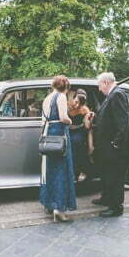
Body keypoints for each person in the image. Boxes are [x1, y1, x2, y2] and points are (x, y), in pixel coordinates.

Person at [90, 72, 129, 217]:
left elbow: (123, 123)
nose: (99, 89)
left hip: (114, 148)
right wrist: (95, 116)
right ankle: (106, 198)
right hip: (107, 147)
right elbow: (108, 117)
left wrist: (116, 144)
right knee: (107, 174)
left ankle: (116, 207)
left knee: (115, 177)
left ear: (105, 83)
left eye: (99, 85)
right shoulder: (112, 95)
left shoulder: (117, 95)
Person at [39, 75, 76, 222]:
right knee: (62, 170)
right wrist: (70, 120)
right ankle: (59, 209)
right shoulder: (61, 97)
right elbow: (63, 117)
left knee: (50, 170)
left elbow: (43, 120)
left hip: (48, 134)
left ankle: (49, 203)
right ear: (65, 87)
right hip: (59, 134)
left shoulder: (47, 98)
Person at [68, 90, 94, 182]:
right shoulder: (67, 106)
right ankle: (72, 173)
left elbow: (87, 126)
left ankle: (77, 173)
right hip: (68, 131)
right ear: (73, 98)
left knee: (77, 142)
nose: (78, 105)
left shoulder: (85, 109)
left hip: (79, 132)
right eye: (76, 102)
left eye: (81, 103)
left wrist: (89, 118)